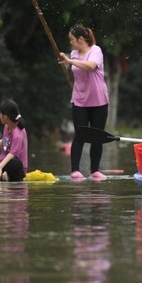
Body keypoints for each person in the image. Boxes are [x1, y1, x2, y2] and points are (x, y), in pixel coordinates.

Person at [58, 24, 109, 180]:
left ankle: (95, 170)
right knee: (79, 135)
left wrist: (70, 61)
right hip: (80, 100)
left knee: (97, 136)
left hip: (99, 101)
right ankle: (75, 170)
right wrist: (66, 61)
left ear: (80, 39)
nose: (70, 43)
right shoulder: (73, 53)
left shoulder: (96, 51)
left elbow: (90, 66)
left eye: (72, 39)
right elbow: (74, 67)